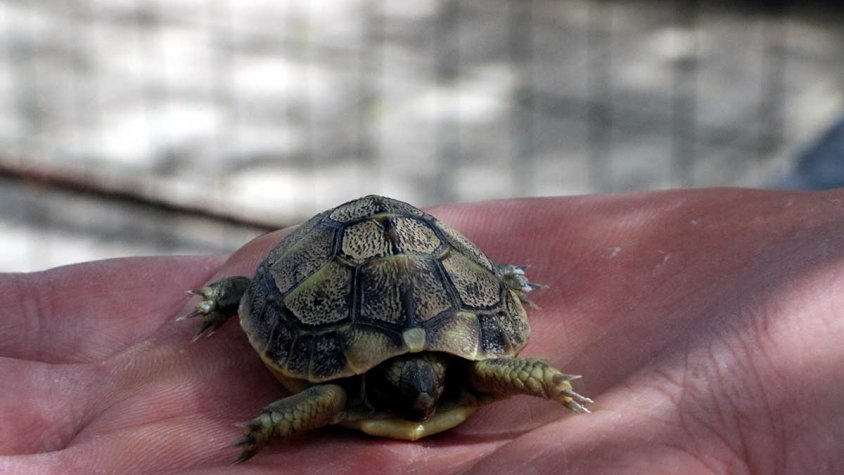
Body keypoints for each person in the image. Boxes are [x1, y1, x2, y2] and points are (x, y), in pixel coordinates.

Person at [1, 188, 842, 473]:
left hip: (440, 305)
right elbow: (327, 399)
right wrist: (268, 426)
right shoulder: (357, 387)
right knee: (258, 305)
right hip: (321, 274)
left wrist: (545, 379)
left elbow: (496, 369)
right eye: (422, 383)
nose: (423, 387)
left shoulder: (450, 375)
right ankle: (235, 292)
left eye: (433, 379)